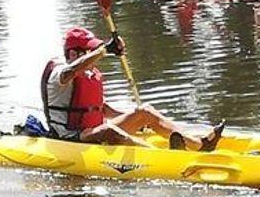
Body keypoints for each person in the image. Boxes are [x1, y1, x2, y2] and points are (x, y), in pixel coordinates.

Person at [41, 26, 225, 150]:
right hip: (69, 137)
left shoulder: (88, 74)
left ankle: (199, 145)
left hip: (90, 130)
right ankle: (159, 155)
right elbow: (71, 72)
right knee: (109, 131)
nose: (95, 55)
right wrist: (104, 50)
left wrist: (137, 119)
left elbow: (102, 109)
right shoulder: (60, 73)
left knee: (145, 111)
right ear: (73, 53)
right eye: (90, 51)